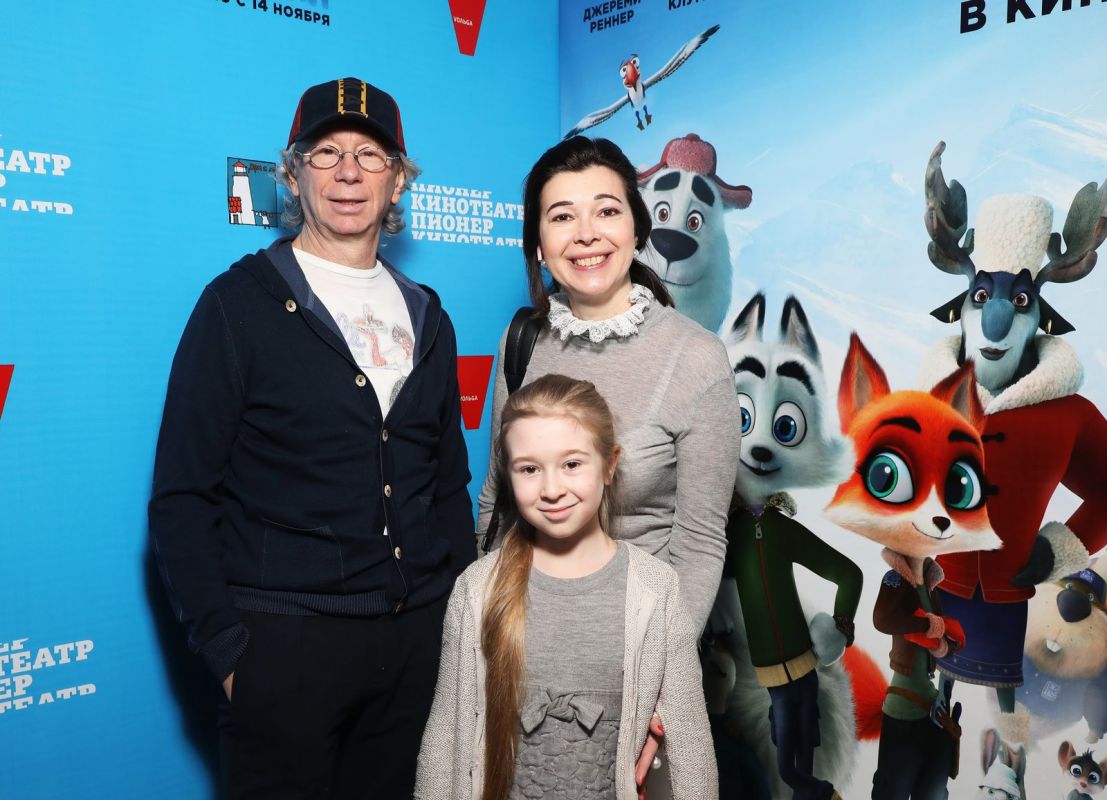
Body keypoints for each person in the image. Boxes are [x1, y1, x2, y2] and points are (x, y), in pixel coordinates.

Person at [148, 77, 474, 799]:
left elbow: (447, 485)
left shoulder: (429, 316)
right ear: (293, 175)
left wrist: (457, 622)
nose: (348, 172)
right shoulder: (237, 305)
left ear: (398, 181)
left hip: (414, 647)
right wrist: (231, 654)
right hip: (285, 652)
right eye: (325, 152)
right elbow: (182, 497)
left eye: (370, 154)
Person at [477, 136, 740, 635]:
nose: (586, 234)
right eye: (562, 216)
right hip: (522, 636)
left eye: (606, 211)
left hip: (636, 640)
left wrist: (662, 663)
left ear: (637, 228)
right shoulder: (521, 340)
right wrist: (491, 624)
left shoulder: (696, 357)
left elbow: (700, 543)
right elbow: (497, 498)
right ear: (538, 244)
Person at [417, 374, 717, 800]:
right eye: (529, 469)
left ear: (609, 465)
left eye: (572, 464)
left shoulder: (656, 589)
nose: (552, 489)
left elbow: (691, 745)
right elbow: (444, 738)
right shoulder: (477, 589)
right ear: (508, 475)